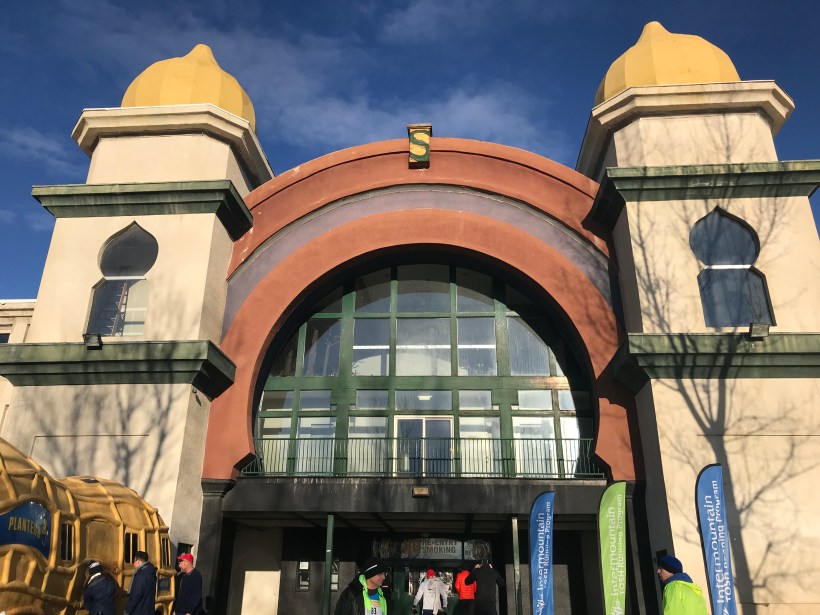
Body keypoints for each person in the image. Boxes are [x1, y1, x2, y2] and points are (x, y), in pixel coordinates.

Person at [125, 550, 157, 615]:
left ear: (138, 561)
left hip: (139, 611)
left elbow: (136, 595)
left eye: (134, 561)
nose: (133, 563)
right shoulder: (151, 572)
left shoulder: (141, 575)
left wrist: (128, 611)